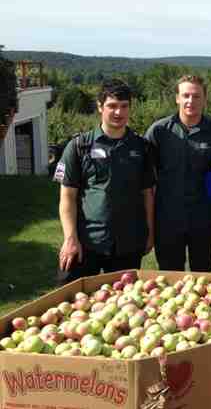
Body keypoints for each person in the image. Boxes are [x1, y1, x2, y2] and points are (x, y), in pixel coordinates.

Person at [54, 79, 154, 285]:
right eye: (112, 106)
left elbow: (148, 194)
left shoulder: (142, 147)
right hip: (86, 241)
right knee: (69, 299)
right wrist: (70, 238)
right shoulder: (79, 146)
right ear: (100, 107)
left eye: (124, 106)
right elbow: (67, 197)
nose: (118, 112)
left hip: (128, 244)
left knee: (125, 307)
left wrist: (150, 234)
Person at [145, 75, 211, 272]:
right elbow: (146, 180)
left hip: (204, 219)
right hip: (167, 219)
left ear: (205, 99)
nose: (191, 101)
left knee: (203, 275)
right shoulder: (158, 131)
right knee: (169, 276)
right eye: (186, 95)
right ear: (177, 98)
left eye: (196, 96)